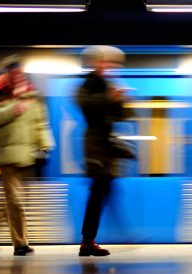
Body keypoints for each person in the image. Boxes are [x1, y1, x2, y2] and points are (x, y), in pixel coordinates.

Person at [76, 45, 134, 257]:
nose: (110, 66)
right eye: (107, 62)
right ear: (96, 62)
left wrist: (122, 102)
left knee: (104, 191)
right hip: (95, 147)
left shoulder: (108, 85)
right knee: (99, 193)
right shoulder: (87, 85)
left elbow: (121, 116)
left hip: (106, 148)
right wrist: (110, 98)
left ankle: (90, 240)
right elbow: (86, 106)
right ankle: (88, 241)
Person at [0, 55, 54, 256]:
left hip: (27, 155)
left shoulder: (31, 95)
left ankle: (19, 241)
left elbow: (40, 123)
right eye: (13, 72)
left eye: (19, 72)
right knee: (15, 201)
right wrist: (12, 110)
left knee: (10, 203)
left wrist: (45, 145)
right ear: (7, 73)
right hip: (6, 154)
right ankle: (20, 244)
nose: (17, 75)